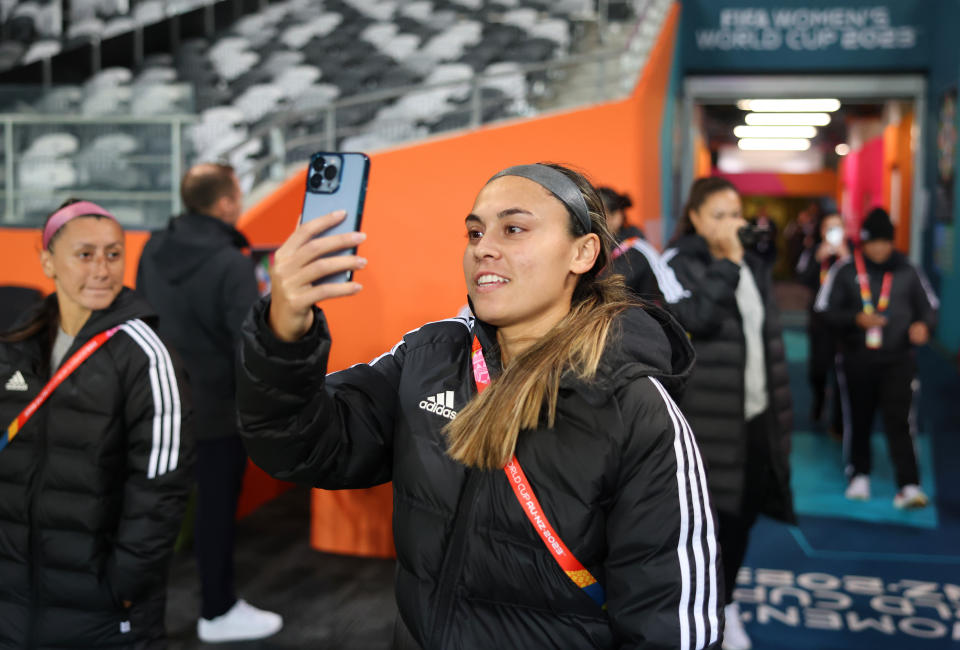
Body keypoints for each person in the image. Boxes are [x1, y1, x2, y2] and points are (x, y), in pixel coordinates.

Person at [237, 163, 723, 649]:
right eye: (475, 231)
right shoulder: (430, 356)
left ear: (583, 252)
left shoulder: (635, 404)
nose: (483, 247)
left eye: (513, 229)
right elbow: (301, 443)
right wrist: (284, 331)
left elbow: (673, 629)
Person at [0, 199, 194, 649]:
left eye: (113, 254)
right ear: (48, 260)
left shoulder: (146, 354)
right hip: (13, 602)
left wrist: (123, 584)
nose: (103, 270)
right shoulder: (16, 344)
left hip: (101, 609)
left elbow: (162, 484)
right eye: (85, 254)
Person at [136, 163, 282, 643]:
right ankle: (217, 610)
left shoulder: (153, 248)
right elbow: (249, 345)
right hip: (216, 410)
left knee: (152, 511)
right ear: (224, 203)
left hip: (157, 401)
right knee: (215, 512)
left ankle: (130, 611)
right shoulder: (231, 263)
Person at [661, 177, 795, 650]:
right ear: (694, 218)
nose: (730, 223)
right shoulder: (678, 264)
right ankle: (700, 613)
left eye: (735, 212)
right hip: (707, 424)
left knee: (743, 518)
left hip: (756, 415)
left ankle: (728, 602)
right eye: (718, 214)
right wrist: (726, 262)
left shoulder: (753, 264)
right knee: (706, 527)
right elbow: (695, 321)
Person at [814, 207, 938, 508]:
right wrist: (855, 318)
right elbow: (824, 310)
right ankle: (859, 474)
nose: (879, 249)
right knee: (858, 418)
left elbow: (929, 307)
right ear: (863, 242)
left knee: (900, 421)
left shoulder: (908, 270)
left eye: (885, 242)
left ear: (892, 242)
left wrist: (924, 325)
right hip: (856, 358)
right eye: (873, 242)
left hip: (898, 359)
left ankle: (908, 484)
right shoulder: (844, 269)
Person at [796, 213, 849, 434]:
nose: (832, 232)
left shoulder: (853, 253)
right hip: (819, 321)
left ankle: (838, 422)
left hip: (846, 323)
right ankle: (819, 399)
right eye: (828, 227)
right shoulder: (813, 251)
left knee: (842, 373)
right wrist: (817, 259)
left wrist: (846, 259)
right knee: (817, 369)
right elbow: (801, 277)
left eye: (837, 227)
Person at [597, 186, 670, 302]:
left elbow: (607, 288)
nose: (593, 223)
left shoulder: (635, 250)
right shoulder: (603, 246)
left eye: (598, 217)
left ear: (616, 217)